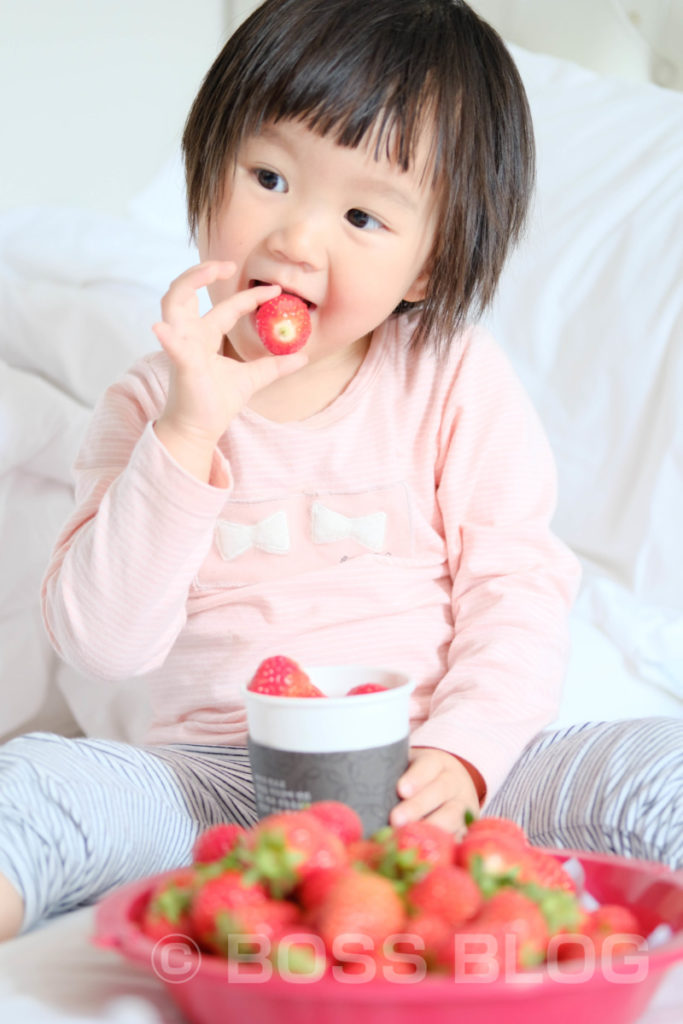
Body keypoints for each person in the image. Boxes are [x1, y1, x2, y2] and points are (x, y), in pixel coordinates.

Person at [1, 0, 681, 942]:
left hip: (441, 775)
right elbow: (103, 645)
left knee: (660, 765)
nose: (296, 240)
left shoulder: (451, 377)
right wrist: (189, 431)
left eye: (362, 214)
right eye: (269, 177)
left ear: (428, 267)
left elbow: (516, 592)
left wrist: (466, 753)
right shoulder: (150, 404)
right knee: (40, 778)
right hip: (220, 781)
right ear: (205, 167)